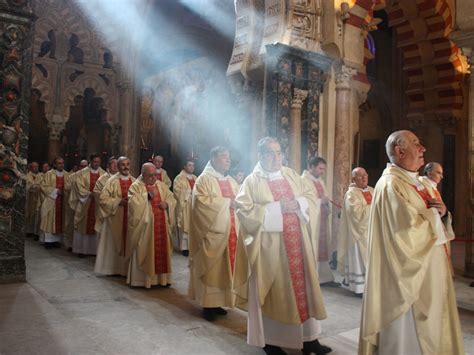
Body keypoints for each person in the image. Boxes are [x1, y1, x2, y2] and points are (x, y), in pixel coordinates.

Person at [359, 130, 464, 354]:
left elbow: (434, 214)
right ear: (399, 150)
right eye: (416, 144)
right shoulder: (390, 185)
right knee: (410, 339)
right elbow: (404, 234)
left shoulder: (418, 183)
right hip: (406, 281)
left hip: (430, 272)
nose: (422, 148)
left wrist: (444, 214)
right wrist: (434, 219)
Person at [234, 137, 330, 355]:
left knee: (304, 289)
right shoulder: (252, 181)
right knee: (275, 292)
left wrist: (299, 204)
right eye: (270, 153)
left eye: (279, 152)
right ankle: (272, 341)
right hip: (271, 248)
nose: (276, 157)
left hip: (299, 244)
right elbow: (244, 210)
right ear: (260, 155)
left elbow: (309, 196)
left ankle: (309, 339)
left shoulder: (290, 174)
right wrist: (277, 208)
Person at [189, 147, 240, 321]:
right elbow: (200, 205)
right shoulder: (204, 179)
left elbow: (240, 201)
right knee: (212, 269)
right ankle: (208, 305)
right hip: (212, 233)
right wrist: (227, 203)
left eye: (229, 157)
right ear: (213, 158)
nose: (228, 160)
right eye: (224, 157)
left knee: (224, 271)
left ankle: (218, 302)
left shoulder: (231, 181)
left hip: (231, 231)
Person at [127, 162, 176, 288]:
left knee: (161, 250)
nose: (154, 178)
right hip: (146, 228)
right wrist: (146, 196)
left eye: (155, 175)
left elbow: (172, 198)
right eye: (150, 175)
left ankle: (162, 280)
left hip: (161, 226)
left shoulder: (161, 185)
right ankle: (143, 281)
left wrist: (167, 204)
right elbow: (133, 204)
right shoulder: (136, 186)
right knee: (147, 250)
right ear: (143, 175)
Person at [95, 156, 135, 276]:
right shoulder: (111, 181)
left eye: (128, 164)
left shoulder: (135, 181)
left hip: (131, 218)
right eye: (123, 164)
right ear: (118, 166)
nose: (126, 167)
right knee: (113, 244)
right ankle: (113, 269)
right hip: (115, 217)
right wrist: (118, 202)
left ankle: (128, 269)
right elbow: (103, 199)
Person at [336, 167, 373, 295]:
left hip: (372, 233)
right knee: (359, 261)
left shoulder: (373, 191)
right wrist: (374, 208)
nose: (363, 178)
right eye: (360, 176)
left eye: (365, 175)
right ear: (353, 179)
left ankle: (370, 287)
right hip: (358, 234)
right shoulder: (351, 194)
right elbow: (355, 214)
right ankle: (359, 288)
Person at [301, 157, 334, 283]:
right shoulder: (303, 181)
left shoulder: (319, 181)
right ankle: (313, 278)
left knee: (323, 248)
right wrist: (321, 201)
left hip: (322, 220)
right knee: (313, 247)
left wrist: (326, 203)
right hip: (313, 221)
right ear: (311, 167)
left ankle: (324, 277)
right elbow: (305, 202)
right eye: (320, 169)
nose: (322, 172)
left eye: (324, 169)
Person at [70, 153, 105, 256]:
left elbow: (106, 187)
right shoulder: (82, 173)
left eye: (98, 162)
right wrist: (90, 194)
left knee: (96, 225)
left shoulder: (103, 174)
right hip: (85, 202)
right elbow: (78, 186)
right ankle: (82, 250)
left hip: (97, 204)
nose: (96, 164)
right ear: (91, 161)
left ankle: (94, 251)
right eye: (95, 161)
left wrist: (98, 196)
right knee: (83, 225)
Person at [39, 157, 69, 249]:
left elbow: (70, 187)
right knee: (49, 220)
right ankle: (48, 241)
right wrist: (56, 191)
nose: (61, 165)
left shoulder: (67, 175)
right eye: (59, 163)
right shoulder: (49, 174)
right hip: (51, 201)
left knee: (61, 220)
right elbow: (43, 186)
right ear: (55, 164)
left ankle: (57, 241)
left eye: (62, 163)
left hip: (62, 202)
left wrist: (65, 192)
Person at [172, 159, 197, 256]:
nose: (191, 167)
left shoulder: (195, 178)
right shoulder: (179, 178)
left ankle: (193, 246)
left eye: (193, 165)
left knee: (193, 226)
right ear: (185, 167)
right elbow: (177, 191)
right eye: (189, 165)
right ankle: (185, 248)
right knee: (184, 225)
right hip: (185, 205)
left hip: (194, 205)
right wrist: (188, 193)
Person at [64, 159, 88, 250]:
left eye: (85, 166)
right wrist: (77, 190)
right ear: (78, 167)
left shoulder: (88, 175)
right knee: (71, 224)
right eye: (82, 166)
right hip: (74, 202)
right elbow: (66, 188)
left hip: (85, 204)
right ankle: (70, 244)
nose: (84, 168)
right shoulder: (72, 176)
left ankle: (81, 246)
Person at [93, 157, 118, 234]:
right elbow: (97, 194)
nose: (115, 166)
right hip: (106, 212)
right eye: (113, 164)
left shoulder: (122, 178)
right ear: (108, 166)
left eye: (117, 164)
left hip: (119, 211)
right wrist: (113, 202)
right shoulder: (102, 179)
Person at [26, 162, 41, 238]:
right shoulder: (27, 175)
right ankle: (29, 231)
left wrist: (36, 186)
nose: (36, 168)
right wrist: (34, 186)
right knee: (30, 214)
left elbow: (42, 185)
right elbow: (28, 186)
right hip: (30, 199)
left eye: (37, 166)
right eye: (34, 166)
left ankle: (36, 232)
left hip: (38, 198)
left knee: (37, 215)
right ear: (31, 168)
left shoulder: (41, 175)